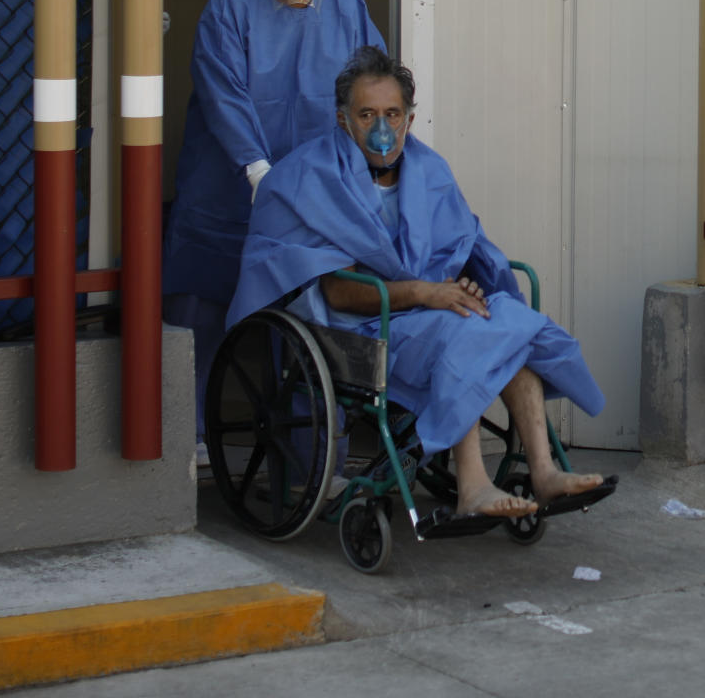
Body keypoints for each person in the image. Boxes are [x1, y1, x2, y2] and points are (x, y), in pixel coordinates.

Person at [228, 46, 612, 520]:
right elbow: (338, 293)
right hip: (359, 327)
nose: (382, 128)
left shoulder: (430, 172)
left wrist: (461, 288)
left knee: (512, 323)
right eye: (367, 114)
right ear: (343, 120)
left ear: (410, 118)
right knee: (469, 333)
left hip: (426, 314)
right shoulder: (310, 179)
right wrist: (428, 294)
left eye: (392, 113)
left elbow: (460, 252)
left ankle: (544, 470)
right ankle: (472, 484)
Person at [163, 0, 385, 446]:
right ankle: (189, 443)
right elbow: (224, 95)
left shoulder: (346, 4)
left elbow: (374, 86)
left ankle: (306, 451)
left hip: (311, 199)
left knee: (308, 313)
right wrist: (257, 167)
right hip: (227, 191)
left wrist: (376, 155)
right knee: (205, 306)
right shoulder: (229, 8)